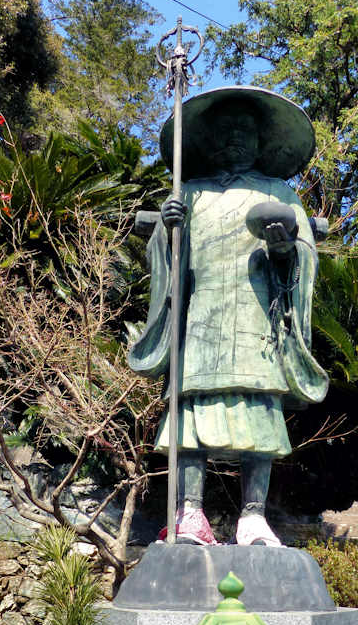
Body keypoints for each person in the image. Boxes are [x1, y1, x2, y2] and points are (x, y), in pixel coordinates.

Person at [128, 86, 328, 546]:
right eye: (225, 129)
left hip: (257, 317)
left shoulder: (279, 192)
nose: (235, 137)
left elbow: (304, 253)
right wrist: (167, 228)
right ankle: (191, 513)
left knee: (260, 413)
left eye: (245, 129)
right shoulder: (190, 193)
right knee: (192, 413)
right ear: (209, 140)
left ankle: (253, 516)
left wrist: (285, 250)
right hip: (204, 318)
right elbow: (169, 262)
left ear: (261, 140)